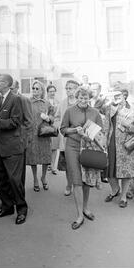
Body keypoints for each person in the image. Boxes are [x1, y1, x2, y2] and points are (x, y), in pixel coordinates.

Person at [0, 74, 28, 225]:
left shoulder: (16, 99)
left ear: (8, 84)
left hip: (12, 147)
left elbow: (16, 122)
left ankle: (21, 210)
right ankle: (7, 206)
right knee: (1, 180)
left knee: (15, 180)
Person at [60, 87, 103, 230]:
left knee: (86, 180)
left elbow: (101, 133)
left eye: (86, 98)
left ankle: (85, 208)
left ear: (89, 98)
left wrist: (91, 135)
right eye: (81, 97)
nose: (83, 100)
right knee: (77, 181)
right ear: (77, 97)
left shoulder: (95, 112)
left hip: (89, 148)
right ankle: (79, 215)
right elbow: (63, 129)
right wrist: (74, 130)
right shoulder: (69, 111)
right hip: (72, 147)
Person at [103, 89, 134, 208]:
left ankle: (124, 196)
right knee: (109, 171)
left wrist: (127, 125)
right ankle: (115, 190)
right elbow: (106, 126)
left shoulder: (132, 110)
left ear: (124, 96)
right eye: (114, 95)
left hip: (126, 146)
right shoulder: (109, 108)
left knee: (126, 171)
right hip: (111, 144)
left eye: (119, 95)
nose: (116, 97)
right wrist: (104, 142)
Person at [26, 80, 53, 192]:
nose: (35, 90)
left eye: (37, 88)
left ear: (42, 90)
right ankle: (35, 179)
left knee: (46, 157)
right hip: (32, 133)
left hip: (44, 133)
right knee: (33, 158)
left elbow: (53, 117)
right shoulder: (28, 102)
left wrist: (48, 118)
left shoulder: (47, 103)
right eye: (33, 88)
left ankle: (43, 177)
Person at [57, 79, 79, 195]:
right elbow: (56, 117)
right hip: (66, 138)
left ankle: (77, 185)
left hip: (79, 139)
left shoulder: (81, 103)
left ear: (76, 90)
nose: (68, 90)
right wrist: (59, 127)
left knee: (77, 164)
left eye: (70, 88)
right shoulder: (62, 103)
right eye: (67, 88)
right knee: (67, 164)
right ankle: (68, 184)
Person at [10, 79, 34, 187]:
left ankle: (19, 196)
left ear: (17, 88)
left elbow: (29, 121)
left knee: (19, 173)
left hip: (19, 141)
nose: (10, 91)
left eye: (12, 89)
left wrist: (24, 138)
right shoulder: (4, 99)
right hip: (6, 142)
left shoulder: (23, 100)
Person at [46, 84, 60, 175]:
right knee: (48, 147)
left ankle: (54, 166)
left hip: (55, 126)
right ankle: (48, 164)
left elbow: (59, 115)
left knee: (55, 147)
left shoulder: (58, 102)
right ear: (47, 92)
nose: (52, 93)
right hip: (47, 126)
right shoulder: (45, 102)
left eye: (53, 91)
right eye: (50, 91)